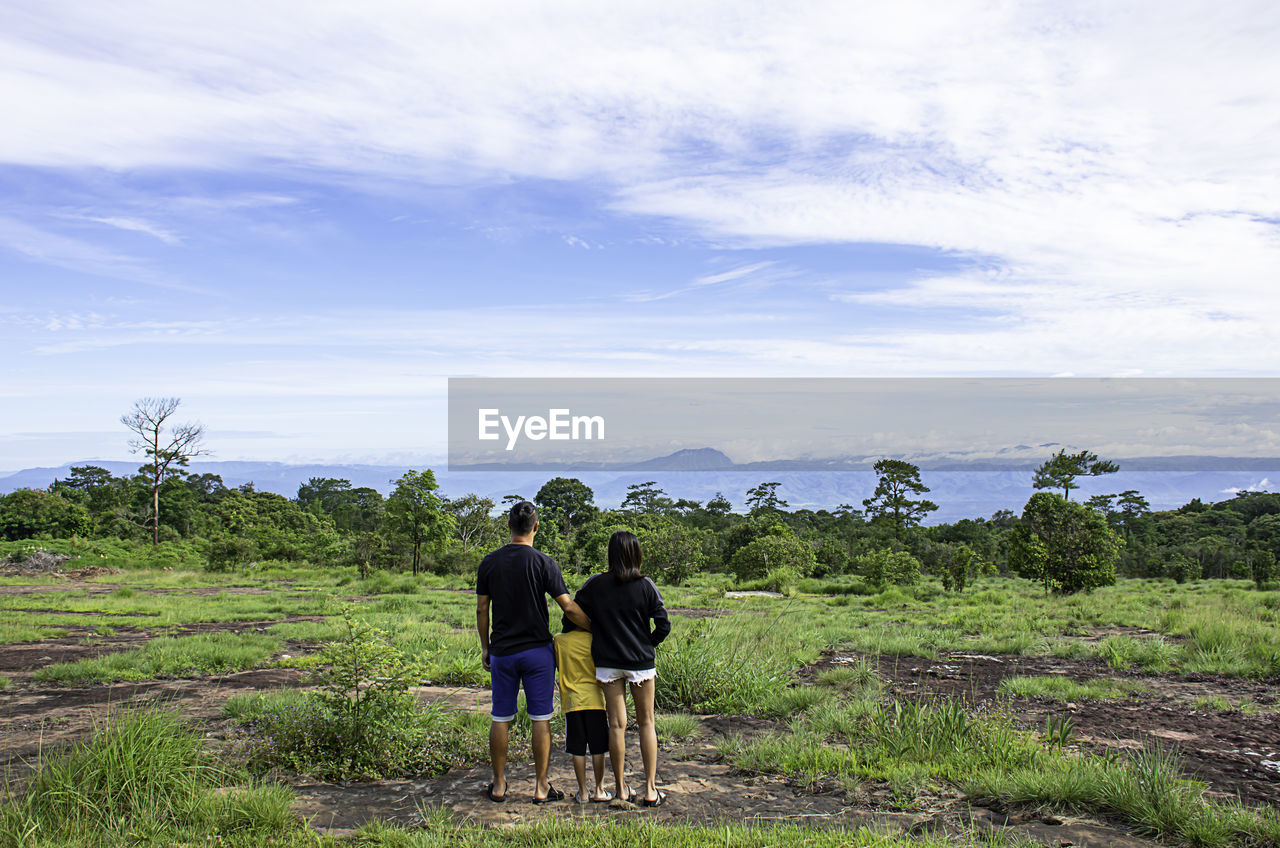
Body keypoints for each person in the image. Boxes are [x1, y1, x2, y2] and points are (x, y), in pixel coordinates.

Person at [476, 501, 590, 804]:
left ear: (509, 527)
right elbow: (567, 606)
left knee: (501, 717)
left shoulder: (489, 562)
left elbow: (482, 608)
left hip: (502, 652)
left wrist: (486, 647)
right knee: (541, 718)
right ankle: (541, 787)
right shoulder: (544, 563)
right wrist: (595, 628)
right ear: (535, 527)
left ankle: (498, 784)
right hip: (538, 652)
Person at [573, 530, 671, 807]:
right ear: (637, 554)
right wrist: (648, 644)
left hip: (607, 663)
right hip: (640, 663)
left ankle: (620, 790)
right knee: (646, 723)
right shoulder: (646, 585)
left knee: (616, 725)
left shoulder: (595, 585)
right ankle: (651, 790)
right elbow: (664, 624)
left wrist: (598, 630)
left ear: (611, 554)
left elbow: (572, 613)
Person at [552, 620, 612, 803]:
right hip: (595, 699)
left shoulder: (560, 640)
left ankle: (582, 791)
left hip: (572, 701)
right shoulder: (596, 639)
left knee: (577, 749)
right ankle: (599, 790)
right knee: (598, 748)